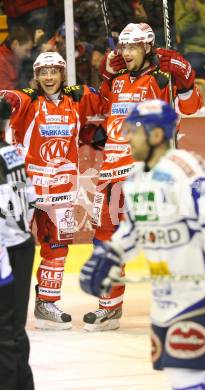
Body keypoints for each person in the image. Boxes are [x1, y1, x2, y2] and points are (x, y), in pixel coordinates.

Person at [79, 99, 205, 390]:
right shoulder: (135, 177)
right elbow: (135, 230)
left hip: (202, 291)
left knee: (185, 377)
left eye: (135, 130)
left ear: (157, 135)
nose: (127, 137)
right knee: (182, 375)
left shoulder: (188, 169)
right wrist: (111, 254)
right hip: (166, 293)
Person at [83, 22, 202, 332]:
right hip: (112, 170)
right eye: (124, 47)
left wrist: (186, 78)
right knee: (106, 239)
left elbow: (190, 109)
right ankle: (108, 308)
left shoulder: (162, 79)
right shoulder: (118, 80)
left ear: (148, 47)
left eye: (133, 47)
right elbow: (100, 109)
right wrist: (105, 77)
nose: (126, 53)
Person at [0, 51, 108, 330]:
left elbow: (108, 100)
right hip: (27, 190)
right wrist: (7, 98)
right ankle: (8, 307)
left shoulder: (75, 99)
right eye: (43, 72)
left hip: (63, 189)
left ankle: (47, 304)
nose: (49, 77)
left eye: (54, 71)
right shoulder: (28, 99)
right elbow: (10, 99)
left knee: (58, 247)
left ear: (62, 74)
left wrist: (109, 70)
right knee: (12, 247)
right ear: (36, 76)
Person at [0, 97, 36, 390]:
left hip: (7, 251)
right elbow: (30, 198)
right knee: (12, 331)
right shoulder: (11, 153)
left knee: (5, 333)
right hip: (20, 244)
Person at [0, 26, 33, 90]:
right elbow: (6, 94)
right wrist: (30, 88)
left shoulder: (15, 57)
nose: (28, 55)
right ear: (15, 44)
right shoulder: (1, 61)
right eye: (26, 50)